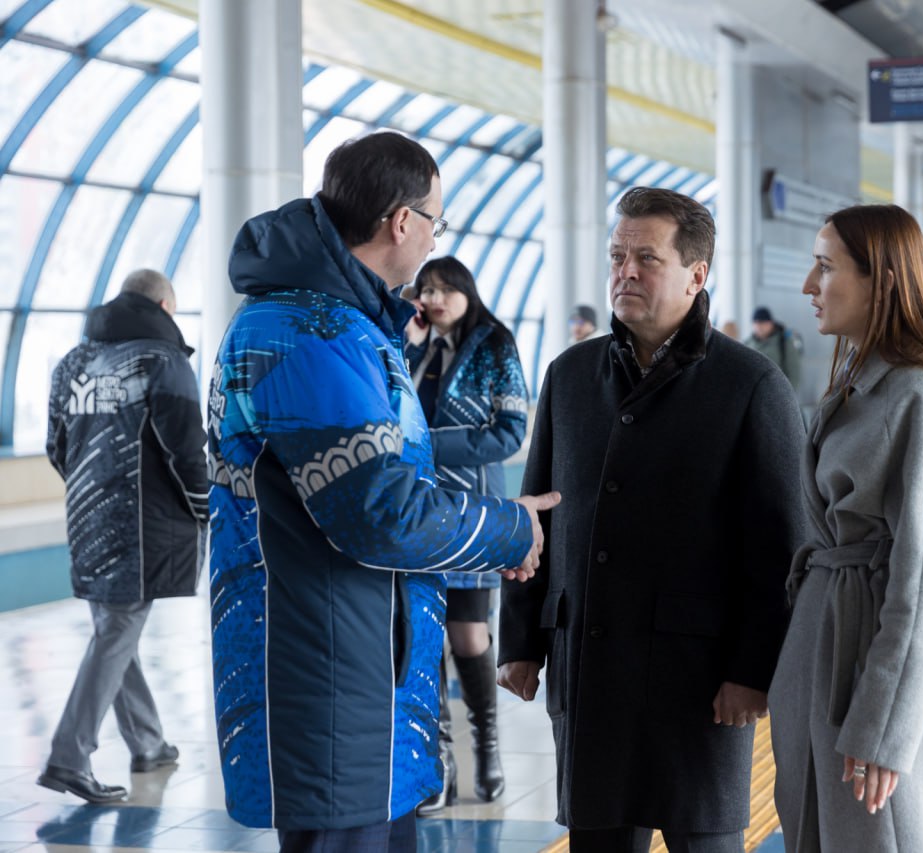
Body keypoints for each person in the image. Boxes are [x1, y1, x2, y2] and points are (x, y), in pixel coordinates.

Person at [205, 131, 559, 850]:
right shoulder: (309, 334)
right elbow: (382, 512)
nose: (433, 240)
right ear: (402, 221)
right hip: (331, 671)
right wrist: (512, 528)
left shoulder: (348, 326)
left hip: (361, 659)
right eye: (436, 221)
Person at [498, 186, 804, 853]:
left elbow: (780, 547)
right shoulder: (570, 376)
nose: (625, 272)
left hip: (697, 681)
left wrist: (753, 670)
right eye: (617, 256)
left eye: (647, 258)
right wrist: (520, 640)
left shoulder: (750, 386)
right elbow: (536, 516)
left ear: (697, 275)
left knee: (705, 840)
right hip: (591, 669)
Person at [770, 204, 923, 852]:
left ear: (883, 282)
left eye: (825, 267)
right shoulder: (861, 382)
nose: (809, 285)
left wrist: (885, 725)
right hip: (829, 654)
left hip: (873, 670)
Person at [38, 269, 208, 804]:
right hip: (143, 525)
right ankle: (69, 757)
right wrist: (205, 509)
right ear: (164, 307)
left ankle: (148, 743)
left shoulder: (73, 362)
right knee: (117, 631)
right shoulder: (164, 361)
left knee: (115, 630)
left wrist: (92, 492)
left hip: (88, 518)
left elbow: (56, 446)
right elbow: (186, 450)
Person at [401, 256, 528, 812]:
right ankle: (439, 764)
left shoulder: (494, 344)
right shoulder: (414, 348)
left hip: (473, 512)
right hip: (419, 511)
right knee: (425, 638)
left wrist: (429, 446)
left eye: (443, 290)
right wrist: (406, 343)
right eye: (425, 290)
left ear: (467, 292)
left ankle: (487, 746)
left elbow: (510, 431)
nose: (432, 299)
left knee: (469, 635)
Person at [746, 306, 805, 391]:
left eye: (762, 323)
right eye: (756, 323)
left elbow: (794, 370)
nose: (758, 326)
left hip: (777, 391)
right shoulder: (747, 343)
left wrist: (789, 394)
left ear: (770, 323)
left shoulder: (784, 342)